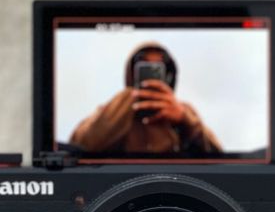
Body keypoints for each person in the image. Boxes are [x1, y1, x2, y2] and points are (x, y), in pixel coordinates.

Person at [70, 42, 223, 157]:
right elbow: (79, 144)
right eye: (144, 65)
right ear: (132, 73)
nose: (150, 76)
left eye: (158, 68)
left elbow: (219, 156)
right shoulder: (113, 108)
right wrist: (128, 97)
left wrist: (185, 119)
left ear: (168, 75)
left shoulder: (183, 110)